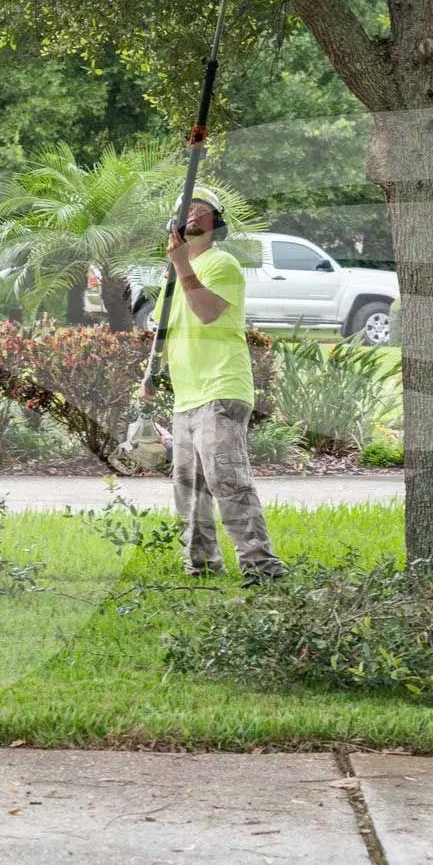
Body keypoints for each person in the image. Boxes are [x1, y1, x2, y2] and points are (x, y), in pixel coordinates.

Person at [137, 192, 288, 584]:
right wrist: (150, 375)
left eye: (200, 210)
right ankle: (201, 567)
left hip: (222, 388)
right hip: (187, 396)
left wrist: (183, 266)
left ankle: (262, 568)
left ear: (215, 222)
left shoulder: (223, 264)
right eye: (186, 208)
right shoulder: (173, 275)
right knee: (189, 491)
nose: (192, 213)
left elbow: (205, 313)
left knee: (228, 481)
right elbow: (163, 333)